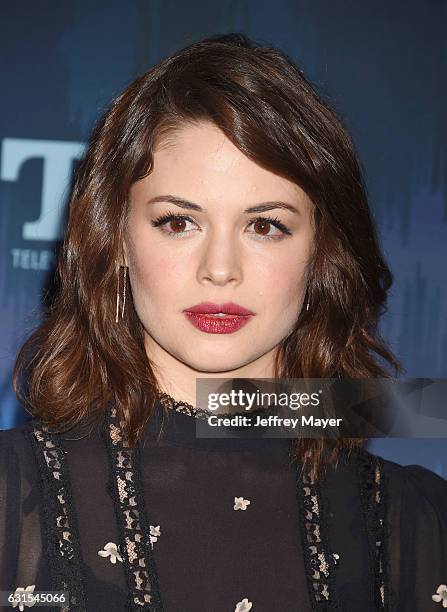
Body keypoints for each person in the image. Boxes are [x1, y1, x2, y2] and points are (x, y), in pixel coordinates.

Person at [0, 32, 446, 612]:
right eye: (178, 222)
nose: (220, 270)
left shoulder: (422, 524)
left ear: (322, 254)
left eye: (265, 226)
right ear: (117, 241)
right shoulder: (14, 495)